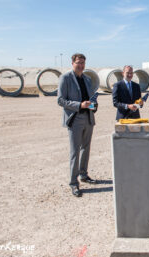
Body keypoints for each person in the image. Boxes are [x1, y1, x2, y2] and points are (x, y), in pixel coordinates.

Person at [57, 53, 97, 197]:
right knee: (75, 152)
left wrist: (94, 105)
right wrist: (79, 104)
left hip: (88, 118)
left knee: (86, 149)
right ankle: (74, 183)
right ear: (72, 63)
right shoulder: (65, 78)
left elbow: (92, 97)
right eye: (78, 63)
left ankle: (84, 175)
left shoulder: (87, 79)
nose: (81, 65)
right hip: (75, 119)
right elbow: (61, 100)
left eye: (83, 63)